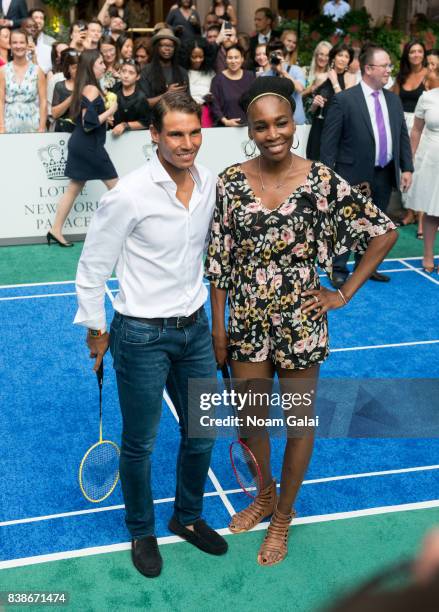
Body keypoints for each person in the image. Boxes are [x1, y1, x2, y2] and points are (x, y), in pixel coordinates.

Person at [205, 76, 397, 567]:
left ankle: (283, 516)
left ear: (295, 122)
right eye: (261, 126)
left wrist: (343, 293)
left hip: (301, 319)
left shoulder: (322, 180)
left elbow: (383, 232)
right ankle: (264, 495)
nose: (273, 134)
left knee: (297, 423)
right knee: (250, 424)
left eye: (281, 122)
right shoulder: (229, 180)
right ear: (249, 130)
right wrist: (219, 326)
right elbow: (220, 259)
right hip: (245, 317)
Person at [74, 91, 228, 578]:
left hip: (195, 330)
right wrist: (98, 331)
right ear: (155, 136)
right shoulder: (129, 195)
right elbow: (91, 270)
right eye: (176, 134)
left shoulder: (210, 184)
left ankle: (187, 517)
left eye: (195, 133)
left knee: (201, 432)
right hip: (140, 335)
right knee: (140, 443)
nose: (188, 144)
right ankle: (142, 529)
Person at [320, 44, 413, 287]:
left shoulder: (393, 100)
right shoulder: (344, 99)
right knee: (346, 223)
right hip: (351, 174)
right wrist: (328, 177)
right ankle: (338, 268)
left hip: (384, 173)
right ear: (369, 68)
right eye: (385, 66)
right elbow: (329, 143)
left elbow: (402, 136)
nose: (389, 70)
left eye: (389, 66)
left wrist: (407, 168)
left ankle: (366, 266)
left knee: (376, 223)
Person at [48, 49, 118, 247]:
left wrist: (104, 117)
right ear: (91, 66)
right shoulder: (91, 89)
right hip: (89, 146)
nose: (105, 66)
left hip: (82, 143)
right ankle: (123, 231)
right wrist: (111, 111)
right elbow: (89, 124)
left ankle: (55, 230)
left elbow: (88, 119)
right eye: (101, 63)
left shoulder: (87, 88)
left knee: (73, 188)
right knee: (117, 189)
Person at [405, 61, 439, 273]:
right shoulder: (427, 97)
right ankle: (428, 255)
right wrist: (409, 162)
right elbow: (416, 130)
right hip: (431, 159)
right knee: (432, 210)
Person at [393, 40, 428, 230]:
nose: (416, 54)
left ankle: (419, 214)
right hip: (402, 125)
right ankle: (409, 211)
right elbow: (392, 97)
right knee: (404, 168)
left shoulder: (429, 75)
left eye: (419, 51)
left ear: (424, 54)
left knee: (419, 168)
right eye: (412, 51)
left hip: (421, 127)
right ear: (407, 55)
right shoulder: (401, 76)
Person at [307, 43, 356, 160]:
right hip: (319, 124)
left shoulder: (351, 78)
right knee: (314, 164)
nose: (343, 59)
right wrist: (315, 103)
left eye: (346, 56)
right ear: (333, 57)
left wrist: (334, 82)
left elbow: (345, 104)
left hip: (338, 128)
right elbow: (311, 111)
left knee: (331, 167)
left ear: (349, 61)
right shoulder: (321, 77)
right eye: (340, 55)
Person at [0, 29, 46, 134]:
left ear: (27, 45)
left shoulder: (37, 71)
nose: (18, 46)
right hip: (9, 127)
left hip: (33, 127)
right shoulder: (3, 71)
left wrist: (42, 128)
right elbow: (0, 101)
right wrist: (1, 127)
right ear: (10, 45)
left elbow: (43, 102)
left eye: (21, 42)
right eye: (14, 42)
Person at [139, 28, 189, 108]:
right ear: (157, 47)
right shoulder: (146, 71)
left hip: (177, 116)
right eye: (163, 45)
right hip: (154, 118)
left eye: (171, 46)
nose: (167, 49)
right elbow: (143, 103)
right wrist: (167, 95)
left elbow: (187, 101)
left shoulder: (182, 72)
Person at [259, 39, 306, 125]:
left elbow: (300, 89)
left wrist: (283, 72)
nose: (276, 57)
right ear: (268, 58)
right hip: (276, 124)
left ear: (284, 56)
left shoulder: (296, 70)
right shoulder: (264, 77)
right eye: (273, 55)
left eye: (279, 54)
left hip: (298, 123)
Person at [209, 43, 255, 127]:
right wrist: (225, 121)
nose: (233, 61)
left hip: (249, 126)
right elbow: (214, 105)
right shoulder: (217, 80)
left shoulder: (251, 76)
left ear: (242, 59)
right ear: (225, 60)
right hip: (226, 127)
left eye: (236, 57)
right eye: (230, 58)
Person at [111, 59, 150, 135]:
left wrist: (125, 125)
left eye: (131, 73)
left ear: (137, 77)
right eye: (123, 71)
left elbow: (145, 123)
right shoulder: (115, 88)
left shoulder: (141, 97)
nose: (126, 76)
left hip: (132, 136)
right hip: (112, 134)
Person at [182, 38, 215, 127]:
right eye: (194, 57)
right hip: (187, 111)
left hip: (206, 110)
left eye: (201, 57)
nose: (198, 60)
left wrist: (211, 97)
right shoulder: (183, 73)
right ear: (188, 56)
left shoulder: (211, 73)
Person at [51, 50, 79, 132]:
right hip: (62, 131)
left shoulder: (89, 85)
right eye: (74, 68)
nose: (78, 71)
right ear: (68, 69)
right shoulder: (60, 86)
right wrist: (72, 97)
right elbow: (55, 114)